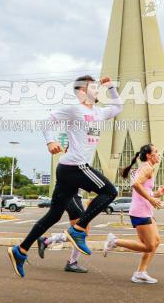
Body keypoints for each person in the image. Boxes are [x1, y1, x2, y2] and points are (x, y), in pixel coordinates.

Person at [7, 75, 122, 278]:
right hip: (75, 166)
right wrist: (50, 142)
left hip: (68, 169)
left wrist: (111, 87)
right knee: (110, 191)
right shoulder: (74, 109)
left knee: (54, 214)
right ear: (81, 91)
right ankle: (77, 231)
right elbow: (46, 122)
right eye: (93, 87)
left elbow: (118, 106)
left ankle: (21, 250)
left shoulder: (98, 113)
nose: (97, 90)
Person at [102, 144, 164, 284]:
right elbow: (136, 185)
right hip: (140, 212)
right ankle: (114, 242)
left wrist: (157, 194)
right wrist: (151, 199)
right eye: (156, 151)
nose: (158, 154)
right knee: (148, 246)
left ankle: (140, 273)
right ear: (149, 155)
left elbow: (143, 190)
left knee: (155, 243)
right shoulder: (147, 168)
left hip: (146, 211)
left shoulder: (147, 168)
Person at [36, 194, 90, 273]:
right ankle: (72, 263)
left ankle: (45, 241)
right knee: (81, 232)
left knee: (78, 233)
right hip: (73, 197)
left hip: (74, 198)